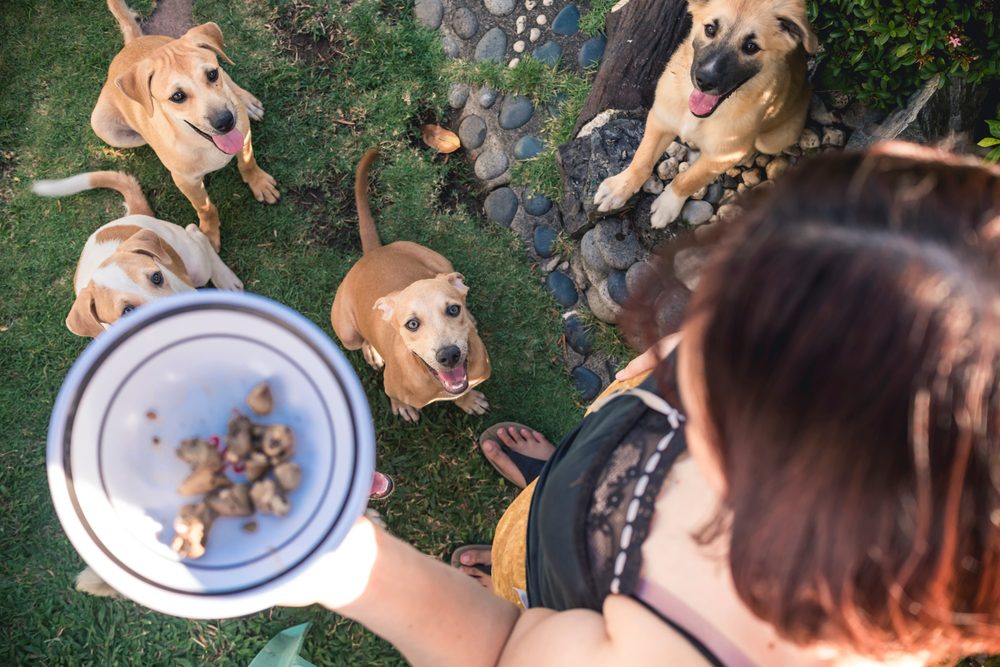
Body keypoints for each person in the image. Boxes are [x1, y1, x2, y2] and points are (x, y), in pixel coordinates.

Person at [281, 142, 1000, 666]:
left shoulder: (678, 644)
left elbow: (502, 648)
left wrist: (343, 563)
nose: (684, 342)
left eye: (733, 343)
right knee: (566, 475)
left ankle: (519, 563)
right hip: (598, 497)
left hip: (557, 601)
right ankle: (551, 481)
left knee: (526, 575)